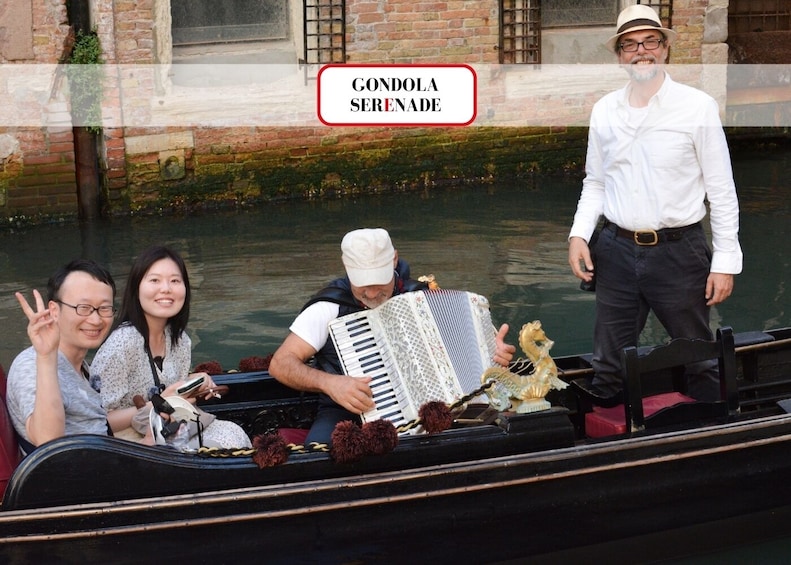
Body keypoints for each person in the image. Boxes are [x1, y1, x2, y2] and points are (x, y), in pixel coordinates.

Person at [567, 4, 743, 401]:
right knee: (608, 365)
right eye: (630, 45)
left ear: (664, 49)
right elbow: (595, 182)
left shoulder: (697, 107)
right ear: (620, 56)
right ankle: (609, 446)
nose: (640, 51)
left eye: (649, 41)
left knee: (699, 359)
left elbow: (721, 190)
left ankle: (709, 443)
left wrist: (725, 263)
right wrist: (578, 236)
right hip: (614, 250)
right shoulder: (604, 110)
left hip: (680, 252)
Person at [269, 227, 516, 445]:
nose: (373, 292)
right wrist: (330, 384)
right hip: (345, 411)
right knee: (320, 460)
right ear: (347, 267)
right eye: (363, 284)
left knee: (490, 438)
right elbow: (281, 364)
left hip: (432, 409)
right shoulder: (328, 307)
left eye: (379, 281)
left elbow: (472, 358)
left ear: (394, 260)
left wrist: (492, 356)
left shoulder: (422, 298)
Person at [90, 245, 251, 449]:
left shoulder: (180, 340)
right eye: (155, 280)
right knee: (220, 449)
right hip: (130, 443)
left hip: (173, 429)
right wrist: (162, 403)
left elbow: (178, 403)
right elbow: (99, 422)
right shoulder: (121, 344)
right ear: (136, 288)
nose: (166, 288)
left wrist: (192, 384)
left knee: (233, 434)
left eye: (175, 280)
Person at [7, 259, 117, 454]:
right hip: (75, 478)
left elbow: (94, 422)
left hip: (102, 461)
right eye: (83, 308)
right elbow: (48, 441)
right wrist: (46, 356)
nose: (96, 319)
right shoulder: (33, 363)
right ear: (55, 311)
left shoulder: (79, 364)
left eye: (104, 308)